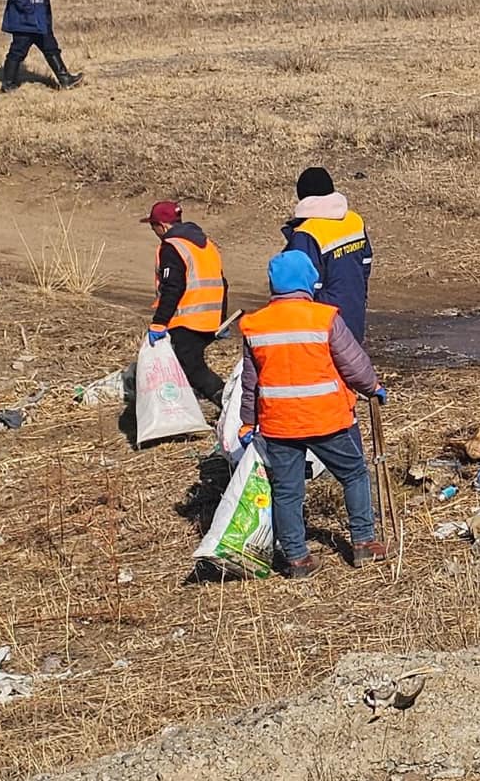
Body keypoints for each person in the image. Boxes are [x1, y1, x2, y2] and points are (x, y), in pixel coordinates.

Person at [237, 250, 386, 577]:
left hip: (279, 423)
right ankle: (363, 543)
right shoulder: (324, 318)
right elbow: (353, 362)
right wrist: (373, 386)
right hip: (326, 419)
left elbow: (251, 382)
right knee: (354, 474)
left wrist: (248, 421)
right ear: (309, 281)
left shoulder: (254, 325)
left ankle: (297, 559)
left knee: (288, 491)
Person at [143, 201, 229, 407]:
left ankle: (230, 404)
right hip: (210, 317)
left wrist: (159, 323)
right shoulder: (206, 244)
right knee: (188, 367)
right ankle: (194, 404)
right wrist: (221, 319)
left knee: (191, 367)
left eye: (152, 226)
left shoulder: (172, 247)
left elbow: (172, 287)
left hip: (188, 318)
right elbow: (222, 282)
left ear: (162, 226)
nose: (153, 231)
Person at [281, 167, 373, 343]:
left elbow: (301, 286)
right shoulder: (354, 220)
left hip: (323, 324)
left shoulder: (307, 234)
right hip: (354, 311)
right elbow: (366, 263)